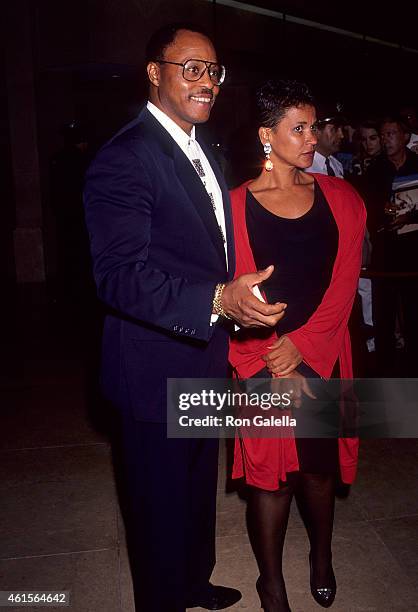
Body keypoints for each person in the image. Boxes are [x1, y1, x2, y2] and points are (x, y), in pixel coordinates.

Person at [84, 23, 286, 612]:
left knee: (196, 490)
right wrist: (217, 301)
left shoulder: (204, 147)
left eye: (214, 71)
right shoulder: (126, 157)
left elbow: (206, 247)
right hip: (152, 369)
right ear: (154, 72)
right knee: (157, 504)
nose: (207, 81)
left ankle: (193, 581)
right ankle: (163, 597)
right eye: (191, 68)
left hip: (202, 353)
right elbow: (118, 275)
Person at [225, 80, 366, 610]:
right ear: (267, 135)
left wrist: (303, 347)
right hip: (260, 356)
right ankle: (271, 582)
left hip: (321, 353)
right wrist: (272, 353)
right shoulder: (235, 206)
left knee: (317, 468)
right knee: (270, 481)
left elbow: (345, 285)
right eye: (298, 128)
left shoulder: (343, 199)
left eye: (314, 126)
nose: (312, 138)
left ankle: (321, 556)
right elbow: (234, 289)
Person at [305, 103, 345, 177]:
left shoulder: (337, 165)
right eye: (334, 129)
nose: (341, 135)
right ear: (316, 131)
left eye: (341, 129)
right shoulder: (305, 169)